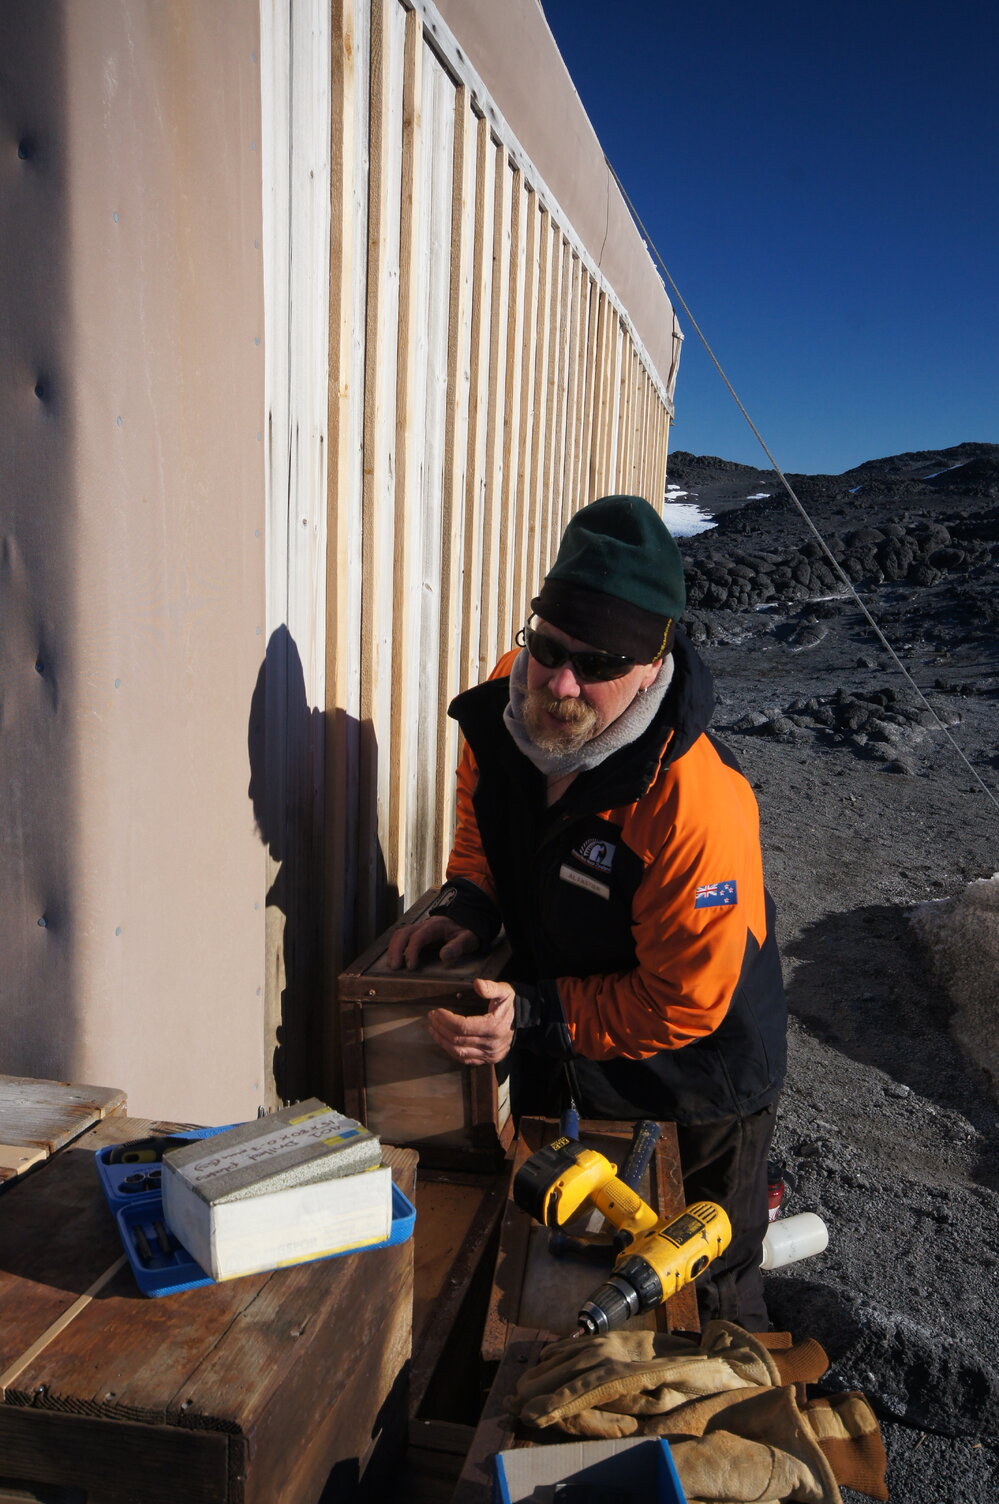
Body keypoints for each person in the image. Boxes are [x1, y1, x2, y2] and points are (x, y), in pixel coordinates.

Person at [387, 494, 787, 1329]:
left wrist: (531, 1013)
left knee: (701, 1289)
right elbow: (480, 829)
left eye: (598, 664)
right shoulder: (509, 705)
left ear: (652, 664)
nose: (560, 685)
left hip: (696, 1077)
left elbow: (682, 1000)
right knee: (566, 1255)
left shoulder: (694, 806)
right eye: (548, 648)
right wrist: (469, 904)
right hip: (570, 1038)